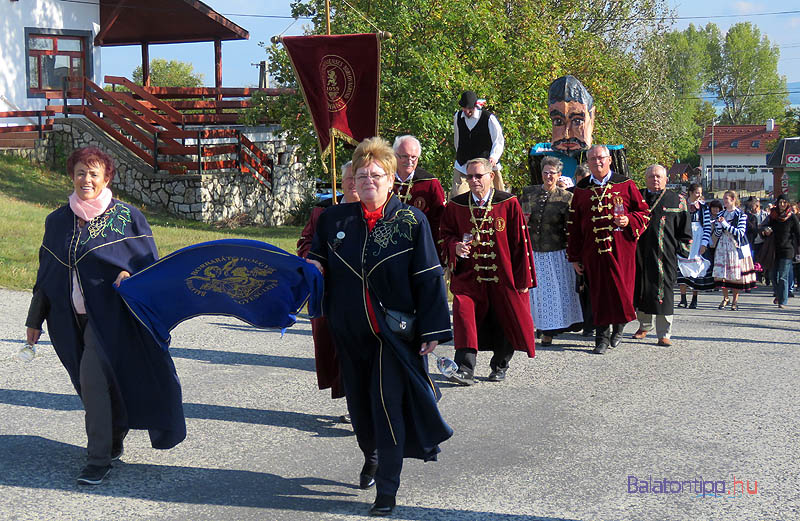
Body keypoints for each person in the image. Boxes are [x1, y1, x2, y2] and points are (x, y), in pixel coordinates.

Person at [307, 137, 452, 516]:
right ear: (352, 179)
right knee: (359, 406)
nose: (368, 180)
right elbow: (316, 257)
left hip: (394, 335)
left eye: (376, 174)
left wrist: (433, 330)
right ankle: (370, 454)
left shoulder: (410, 222)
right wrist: (315, 266)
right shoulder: (334, 219)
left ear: (390, 180)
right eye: (361, 174)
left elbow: (428, 277)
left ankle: (387, 489)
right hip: (349, 331)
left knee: (387, 406)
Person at [24, 147, 186, 485]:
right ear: (72, 176)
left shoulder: (127, 217)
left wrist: (130, 277)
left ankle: (97, 460)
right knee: (89, 384)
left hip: (112, 318)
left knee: (93, 379)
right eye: (81, 172)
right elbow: (47, 274)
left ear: (106, 178)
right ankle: (113, 436)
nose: (87, 179)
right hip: (69, 322)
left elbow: (147, 266)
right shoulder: (57, 221)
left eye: (94, 173)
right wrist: (33, 320)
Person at [440, 157, 536, 384]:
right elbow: (445, 235)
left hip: (502, 275)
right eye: (469, 176)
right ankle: (464, 368)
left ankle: (500, 365)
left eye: (478, 176)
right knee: (464, 314)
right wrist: (455, 246)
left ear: (491, 177)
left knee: (505, 317)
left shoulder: (508, 203)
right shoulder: (457, 205)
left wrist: (523, 279)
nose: (473, 181)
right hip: (469, 278)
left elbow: (520, 243)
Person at [566, 145, 649, 354]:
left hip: (621, 250)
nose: (597, 162)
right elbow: (574, 225)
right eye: (592, 159)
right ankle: (601, 338)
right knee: (598, 294)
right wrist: (574, 257)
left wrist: (628, 220)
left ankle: (619, 328)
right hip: (592, 251)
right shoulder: (582, 189)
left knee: (621, 291)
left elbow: (645, 213)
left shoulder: (626, 184)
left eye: (601, 158)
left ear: (609, 160)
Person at [296, 161, 359, 404]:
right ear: (341, 183)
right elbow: (305, 242)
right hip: (327, 291)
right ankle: (350, 397)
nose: (354, 183)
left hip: (358, 292)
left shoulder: (371, 209)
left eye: (359, 177)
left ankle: (358, 401)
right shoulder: (322, 211)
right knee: (333, 346)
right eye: (349, 178)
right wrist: (313, 260)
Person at [519, 156, 582, 346]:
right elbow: (518, 218)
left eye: (552, 173)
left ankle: (548, 331)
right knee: (533, 293)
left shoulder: (566, 198)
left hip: (556, 251)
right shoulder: (529, 193)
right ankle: (531, 328)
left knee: (552, 293)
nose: (548, 176)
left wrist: (574, 254)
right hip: (533, 251)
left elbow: (572, 227)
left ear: (559, 175)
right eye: (545, 172)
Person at [631, 165, 692, 346]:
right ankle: (644, 325)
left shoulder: (677, 200)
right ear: (646, 179)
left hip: (664, 255)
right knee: (641, 289)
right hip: (639, 253)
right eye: (651, 176)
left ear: (666, 179)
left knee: (664, 293)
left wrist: (682, 249)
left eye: (658, 177)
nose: (655, 180)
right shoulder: (636, 197)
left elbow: (685, 230)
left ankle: (664, 333)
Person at [392, 135, 446, 247]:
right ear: (394, 155)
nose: (410, 161)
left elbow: (439, 219)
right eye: (405, 156)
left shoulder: (430, 183)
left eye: (413, 157)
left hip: (418, 244)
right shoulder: (384, 178)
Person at [450, 90, 505, 199]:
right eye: (464, 108)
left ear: (475, 106)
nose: (466, 111)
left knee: (497, 198)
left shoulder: (488, 118)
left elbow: (498, 140)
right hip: (463, 166)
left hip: (486, 166)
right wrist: (460, 154)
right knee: (458, 197)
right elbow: (457, 139)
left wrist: (494, 157)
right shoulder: (458, 117)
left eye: (469, 108)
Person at [712, 190, 757, 310]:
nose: (724, 201)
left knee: (735, 274)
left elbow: (741, 233)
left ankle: (735, 301)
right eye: (724, 198)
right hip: (723, 244)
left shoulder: (740, 215)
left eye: (727, 198)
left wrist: (725, 225)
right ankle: (725, 297)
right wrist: (718, 226)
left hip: (735, 245)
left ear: (733, 200)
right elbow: (717, 233)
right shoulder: (721, 214)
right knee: (722, 273)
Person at [676, 183, 714, 308]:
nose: (699, 195)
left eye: (700, 193)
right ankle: (683, 298)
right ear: (691, 192)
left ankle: (694, 299)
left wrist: (704, 243)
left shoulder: (703, 207)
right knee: (682, 266)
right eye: (697, 192)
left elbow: (707, 226)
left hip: (698, 238)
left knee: (697, 267)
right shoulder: (682, 205)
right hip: (684, 237)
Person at [759, 194, 800, 308]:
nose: (782, 204)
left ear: (787, 204)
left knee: (783, 276)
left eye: (784, 202)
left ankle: (783, 301)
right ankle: (778, 294)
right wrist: (764, 230)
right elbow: (762, 227)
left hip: (787, 250)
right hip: (773, 250)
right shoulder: (772, 215)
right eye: (780, 202)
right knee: (773, 276)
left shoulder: (792, 217)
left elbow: (798, 234)